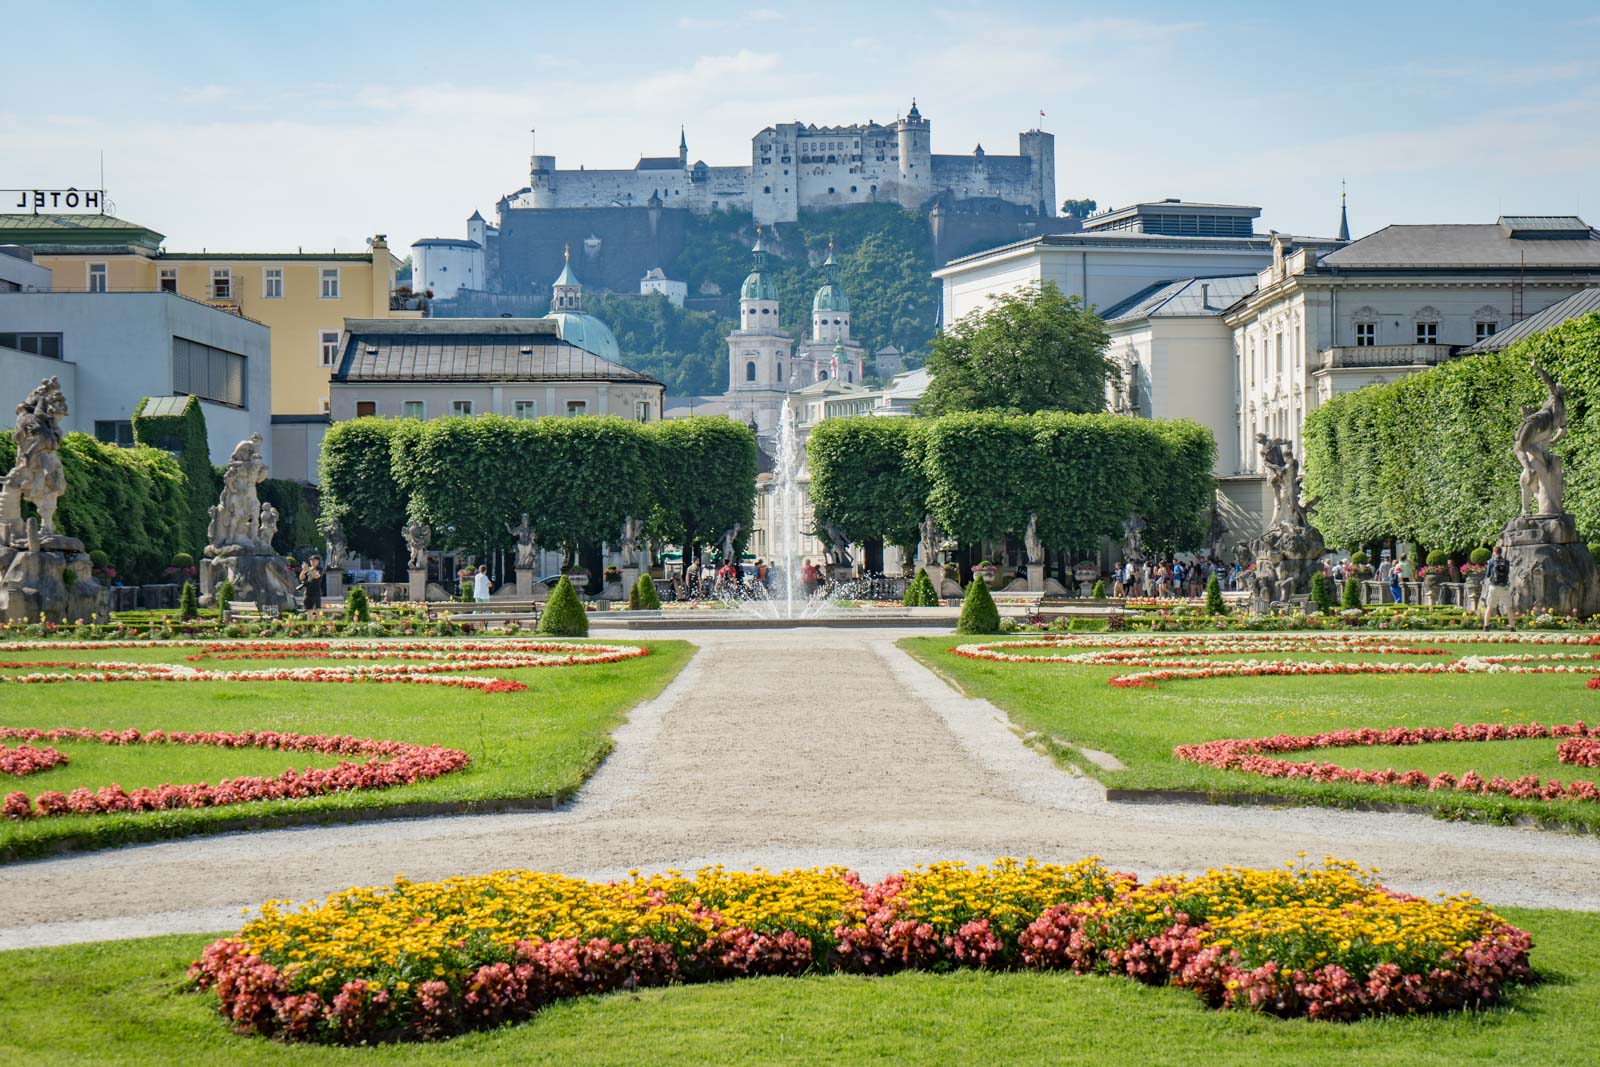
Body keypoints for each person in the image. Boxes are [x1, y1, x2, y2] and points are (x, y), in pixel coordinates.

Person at [1482, 545, 1514, 629]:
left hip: (1494, 586)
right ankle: (1512, 626)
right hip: (1504, 586)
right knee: (1509, 607)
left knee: (1489, 606)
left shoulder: (1491, 561)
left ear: (1494, 552)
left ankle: (1486, 626)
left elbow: (1488, 575)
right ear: (1501, 552)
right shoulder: (1506, 562)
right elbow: (1507, 573)